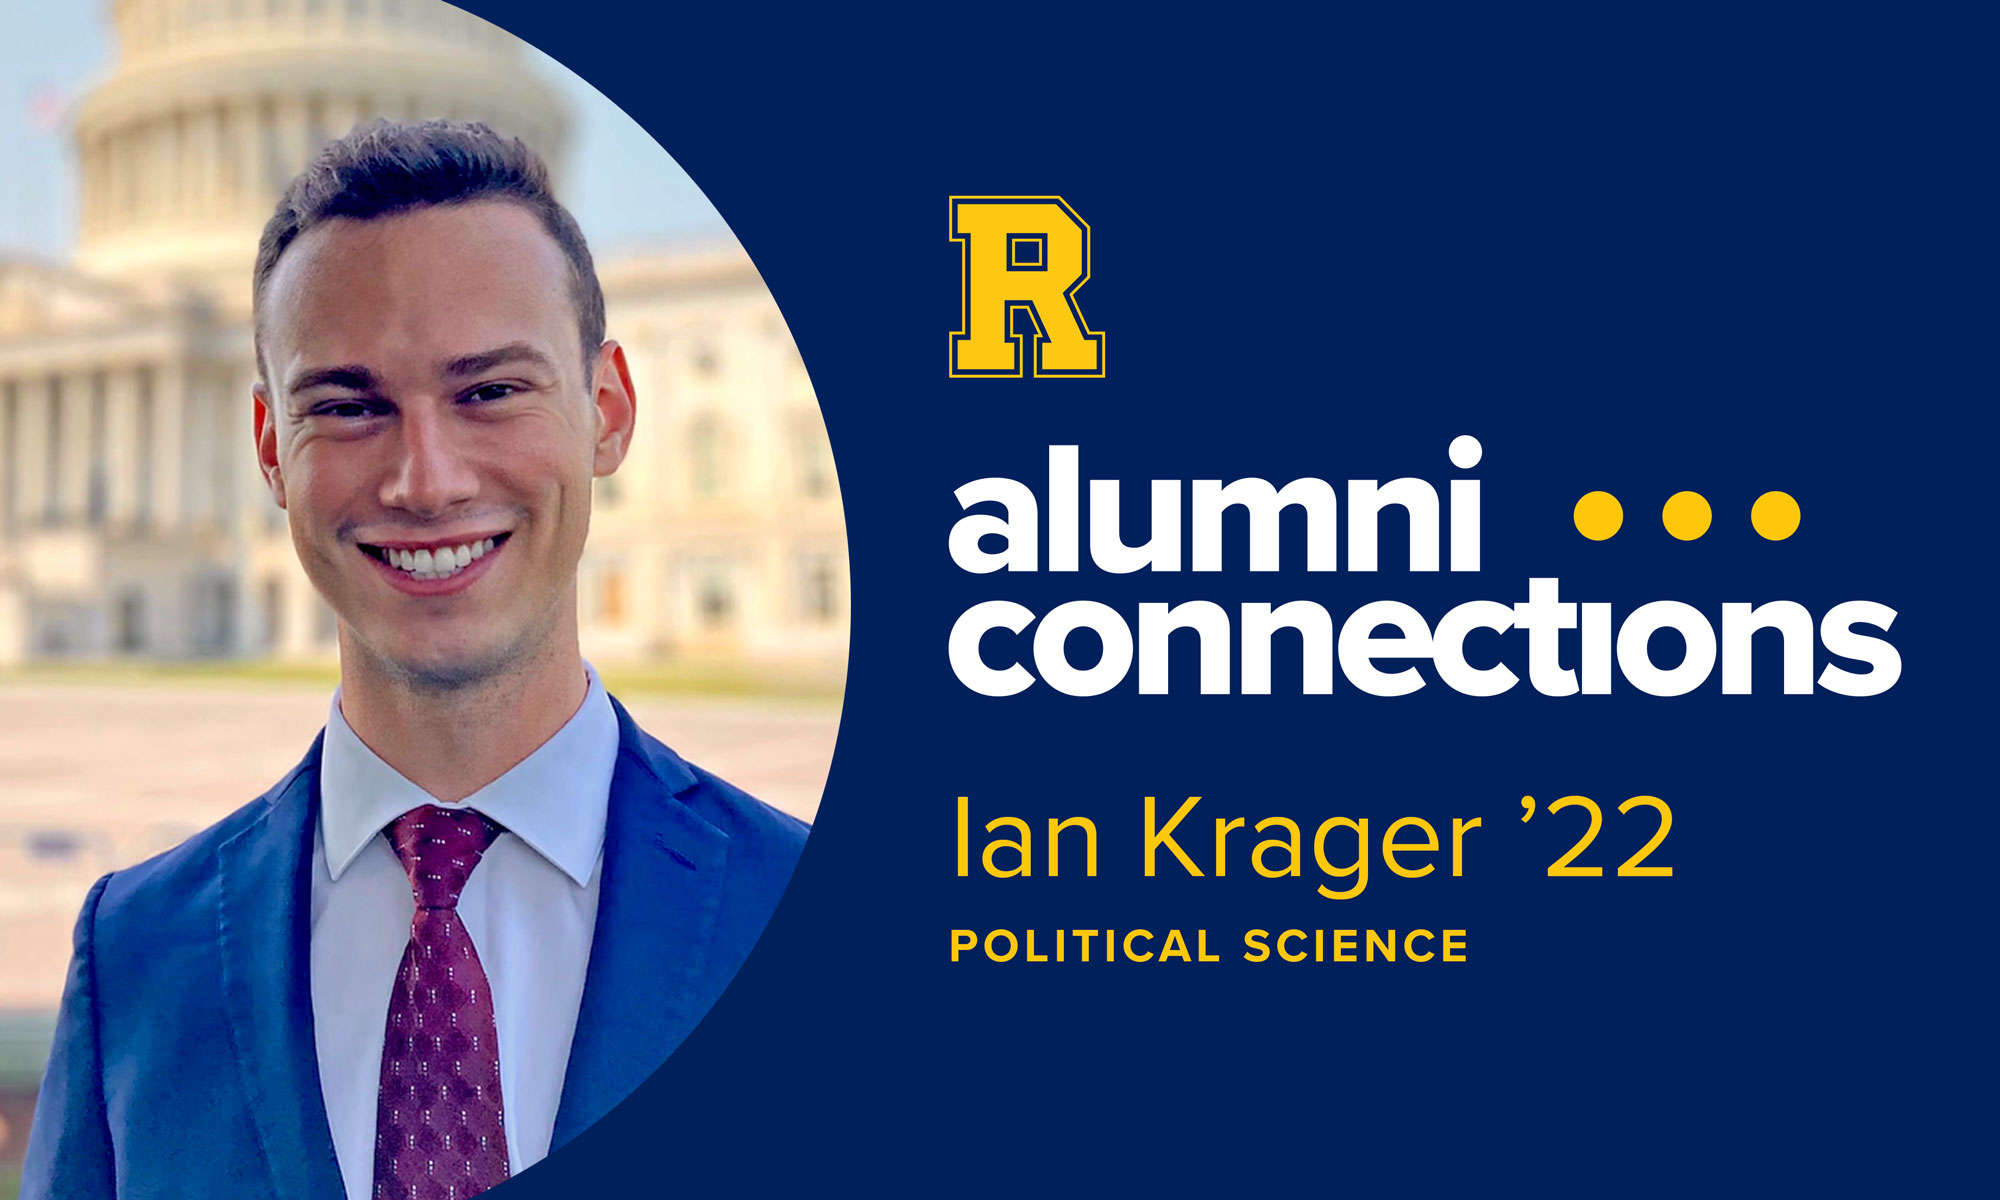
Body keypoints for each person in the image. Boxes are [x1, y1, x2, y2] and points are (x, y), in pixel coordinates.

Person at [20, 120, 810, 1200]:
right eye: (348, 407)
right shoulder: (135, 956)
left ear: (608, 413)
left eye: (487, 391)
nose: (423, 481)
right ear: (270, 450)